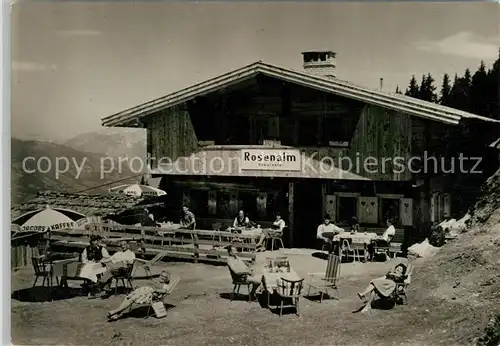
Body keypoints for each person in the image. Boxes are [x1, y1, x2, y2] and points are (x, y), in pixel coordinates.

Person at [107, 270, 173, 321]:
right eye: (161, 275)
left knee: (131, 299)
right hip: (144, 291)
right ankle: (117, 313)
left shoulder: (165, 285)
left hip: (149, 294)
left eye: (164, 277)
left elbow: (165, 291)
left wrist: (155, 290)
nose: (162, 277)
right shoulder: (156, 281)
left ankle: (114, 312)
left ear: (166, 279)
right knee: (128, 298)